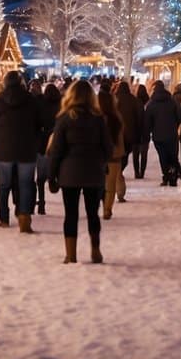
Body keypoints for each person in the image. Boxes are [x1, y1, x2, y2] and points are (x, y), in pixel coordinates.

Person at [47, 80, 113, 264]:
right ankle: (95, 249)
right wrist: (100, 161)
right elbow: (108, 147)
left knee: (71, 214)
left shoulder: (65, 118)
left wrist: (51, 175)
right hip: (93, 172)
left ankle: (71, 254)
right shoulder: (98, 119)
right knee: (93, 213)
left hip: (70, 173)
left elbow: (57, 149)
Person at [0, 71, 43, 232]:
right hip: (27, 150)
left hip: (3, 150)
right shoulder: (31, 102)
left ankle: (4, 217)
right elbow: (41, 124)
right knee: (26, 184)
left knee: (4, 186)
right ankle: (24, 216)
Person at [96, 81, 125, 219]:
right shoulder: (116, 117)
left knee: (98, 182)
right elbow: (121, 136)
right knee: (111, 184)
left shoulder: (95, 118)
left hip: (98, 155)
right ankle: (107, 208)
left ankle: (100, 205)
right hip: (115, 155)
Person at [145, 80, 181, 186]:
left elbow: (148, 120)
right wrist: (175, 125)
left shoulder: (151, 104)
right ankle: (173, 177)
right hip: (172, 134)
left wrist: (150, 130)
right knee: (172, 156)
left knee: (163, 157)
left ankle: (166, 176)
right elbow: (179, 117)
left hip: (158, 136)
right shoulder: (172, 101)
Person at [36, 84, 62, 216]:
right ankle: (54, 181)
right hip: (58, 140)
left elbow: (37, 122)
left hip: (42, 141)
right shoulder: (62, 105)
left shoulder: (40, 104)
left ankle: (41, 202)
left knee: (40, 177)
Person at [115, 81, 149, 180]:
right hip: (131, 134)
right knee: (125, 155)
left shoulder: (114, 100)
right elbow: (140, 118)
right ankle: (120, 172)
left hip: (117, 134)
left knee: (119, 155)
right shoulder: (135, 101)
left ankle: (117, 172)